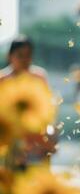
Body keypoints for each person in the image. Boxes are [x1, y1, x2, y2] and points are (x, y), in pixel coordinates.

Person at [0, 35, 55, 168]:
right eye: (20, 55)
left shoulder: (39, 77)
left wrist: (50, 135)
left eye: (28, 55)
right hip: (8, 143)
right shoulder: (2, 80)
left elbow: (47, 109)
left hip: (36, 142)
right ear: (10, 56)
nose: (25, 60)